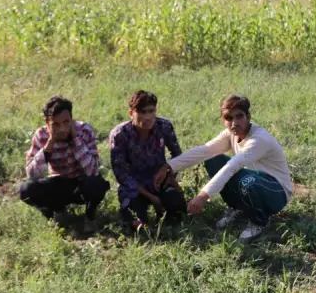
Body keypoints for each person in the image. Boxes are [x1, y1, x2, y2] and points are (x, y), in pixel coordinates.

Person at [155, 95, 293, 241]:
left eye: (239, 116)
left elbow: (232, 166)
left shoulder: (259, 139)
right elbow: (205, 150)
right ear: (224, 120)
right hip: (253, 178)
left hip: (277, 192)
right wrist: (169, 166)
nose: (234, 123)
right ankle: (238, 207)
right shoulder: (231, 134)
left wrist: (203, 196)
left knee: (248, 182)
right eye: (229, 118)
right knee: (213, 159)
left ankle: (260, 221)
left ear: (248, 116)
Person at [20, 96, 110, 232]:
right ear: (47, 122)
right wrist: (49, 144)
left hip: (81, 182)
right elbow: (32, 174)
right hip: (58, 183)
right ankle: (57, 212)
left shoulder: (85, 130)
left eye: (66, 122)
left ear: (72, 119)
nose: (62, 128)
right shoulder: (41, 135)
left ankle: (90, 217)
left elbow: (92, 170)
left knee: (96, 184)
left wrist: (75, 139)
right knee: (26, 189)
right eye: (56, 124)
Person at [109, 90, 186, 231]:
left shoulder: (164, 127)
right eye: (142, 112)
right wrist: (152, 198)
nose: (148, 117)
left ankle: (166, 221)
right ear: (131, 113)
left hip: (158, 180)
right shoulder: (120, 134)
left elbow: (177, 156)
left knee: (178, 208)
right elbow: (121, 173)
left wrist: (169, 177)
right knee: (136, 223)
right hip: (134, 185)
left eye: (151, 111)